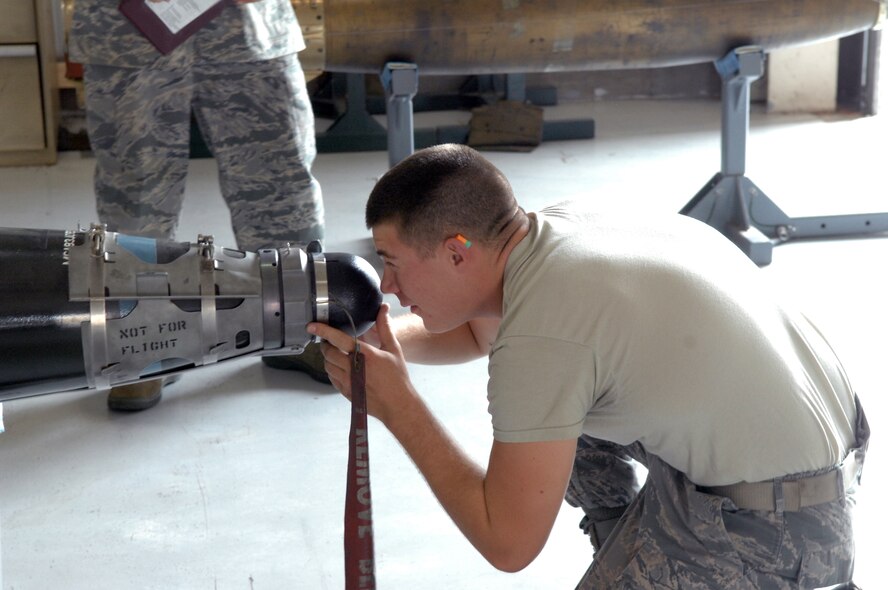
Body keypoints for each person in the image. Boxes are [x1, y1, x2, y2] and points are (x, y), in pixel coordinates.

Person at [310, 144, 869, 588]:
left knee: (547, 405)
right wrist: (380, 346)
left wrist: (400, 406)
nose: (387, 285)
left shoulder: (544, 336)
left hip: (778, 532)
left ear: (457, 252)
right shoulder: (559, 226)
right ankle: (626, 540)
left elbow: (508, 543)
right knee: (564, 412)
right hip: (809, 459)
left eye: (393, 263)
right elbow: (484, 324)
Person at [69, 0, 328, 411]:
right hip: (129, 28)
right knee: (136, 193)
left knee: (280, 184)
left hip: (249, 28)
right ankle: (142, 344)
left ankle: (301, 328)